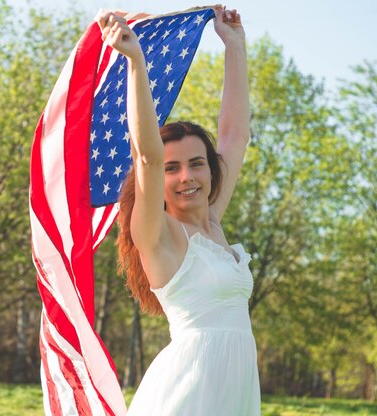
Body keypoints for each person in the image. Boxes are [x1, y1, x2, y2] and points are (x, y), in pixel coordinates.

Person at [96, 5, 260, 415]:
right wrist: (135, 62)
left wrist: (235, 47)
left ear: (210, 170)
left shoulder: (213, 225)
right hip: (186, 395)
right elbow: (147, 154)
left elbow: (235, 135)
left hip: (234, 395)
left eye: (197, 163)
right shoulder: (158, 234)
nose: (187, 176)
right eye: (174, 168)